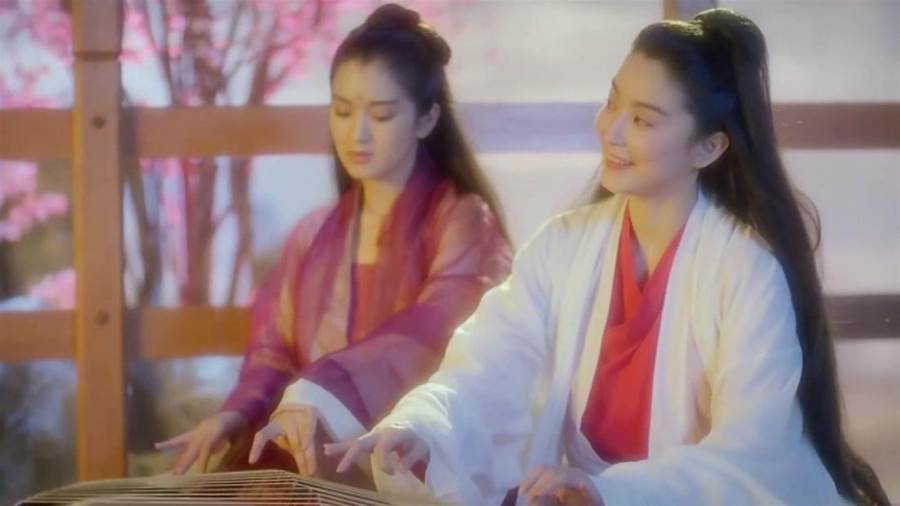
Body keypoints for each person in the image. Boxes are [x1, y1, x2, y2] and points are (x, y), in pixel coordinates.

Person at [327, 8, 888, 506]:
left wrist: (610, 492)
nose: (611, 131)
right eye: (612, 101)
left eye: (643, 119)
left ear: (709, 146)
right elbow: (487, 364)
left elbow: (751, 454)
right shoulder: (563, 247)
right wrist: (422, 425)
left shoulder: (745, 272)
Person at [155, 3, 512, 482]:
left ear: (427, 119)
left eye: (381, 115)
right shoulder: (314, 232)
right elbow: (275, 351)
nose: (356, 133)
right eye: (342, 111)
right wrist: (236, 413)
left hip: (411, 465)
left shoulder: (463, 221)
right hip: (312, 459)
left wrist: (318, 393)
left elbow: (434, 334)